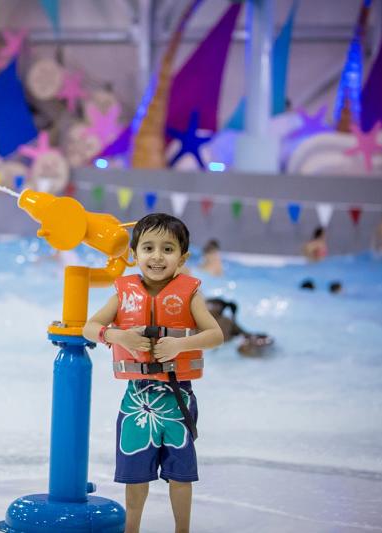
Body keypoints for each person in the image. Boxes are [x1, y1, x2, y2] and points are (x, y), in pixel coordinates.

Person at [82, 213, 223, 533]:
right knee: (135, 475)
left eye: (167, 249)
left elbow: (215, 335)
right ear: (134, 255)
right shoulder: (122, 292)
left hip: (178, 399)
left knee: (181, 474)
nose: (157, 256)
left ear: (182, 257)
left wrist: (179, 346)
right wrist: (119, 336)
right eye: (148, 248)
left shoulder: (190, 293)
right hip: (137, 399)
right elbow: (91, 328)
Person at [206, 298, 274, 357]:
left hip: (229, 347)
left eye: (207, 304)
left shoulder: (226, 321)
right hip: (226, 347)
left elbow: (244, 334)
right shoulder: (226, 321)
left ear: (219, 307)